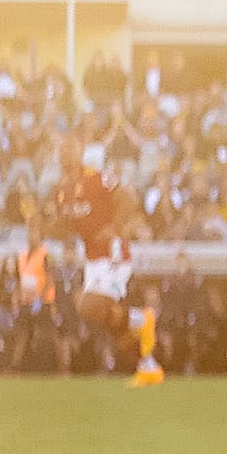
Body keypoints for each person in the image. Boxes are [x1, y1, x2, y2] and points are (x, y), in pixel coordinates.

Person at [61, 142, 139, 374]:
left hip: (111, 254)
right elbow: (71, 223)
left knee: (90, 306)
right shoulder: (65, 191)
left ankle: (142, 320)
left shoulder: (99, 179)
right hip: (93, 258)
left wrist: (114, 227)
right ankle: (141, 354)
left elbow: (130, 199)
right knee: (98, 312)